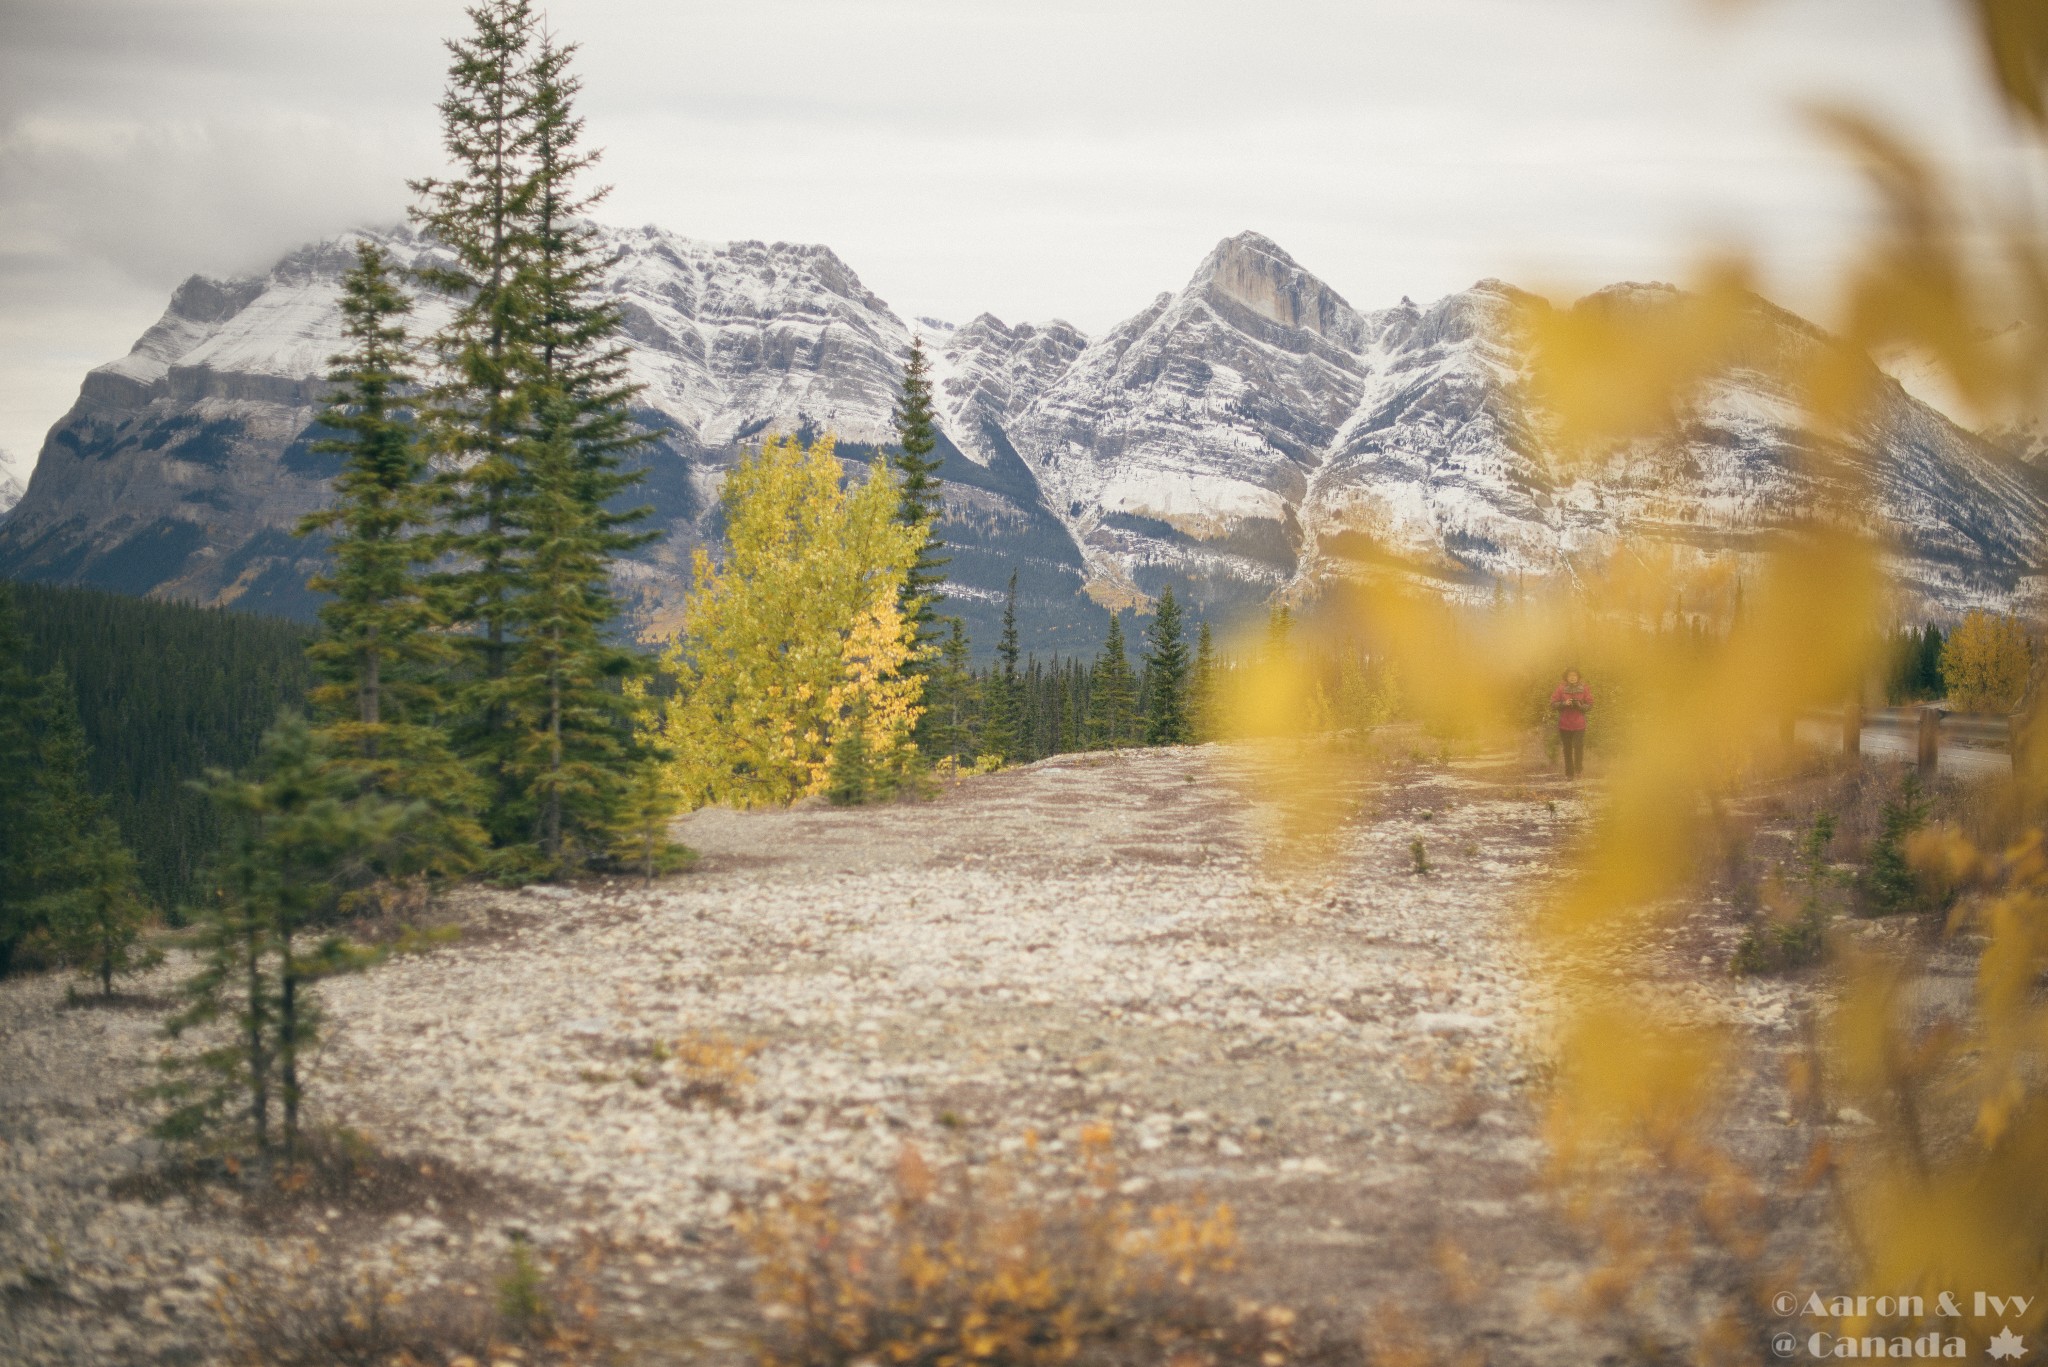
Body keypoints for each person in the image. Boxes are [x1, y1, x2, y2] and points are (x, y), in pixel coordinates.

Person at [1551, 667, 1592, 778]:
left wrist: (1580, 706)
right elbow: (1553, 704)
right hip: (1564, 724)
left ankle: (1578, 768)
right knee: (1567, 749)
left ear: (1578, 677)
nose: (1572, 678)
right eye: (1570, 676)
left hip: (1579, 724)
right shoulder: (1560, 689)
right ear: (1566, 677)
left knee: (1578, 747)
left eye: (1574, 675)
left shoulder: (1584, 688)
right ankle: (1569, 773)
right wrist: (1564, 703)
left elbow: (1590, 704)